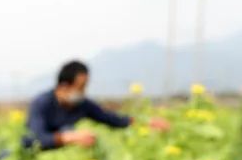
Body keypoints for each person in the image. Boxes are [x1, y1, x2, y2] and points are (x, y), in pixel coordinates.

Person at [22, 60, 170, 152]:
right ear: (64, 86)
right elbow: (38, 138)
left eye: (85, 87)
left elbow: (113, 119)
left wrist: (146, 122)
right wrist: (70, 137)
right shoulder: (41, 103)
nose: (82, 92)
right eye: (80, 87)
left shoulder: (82, 105)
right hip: (28, 154)